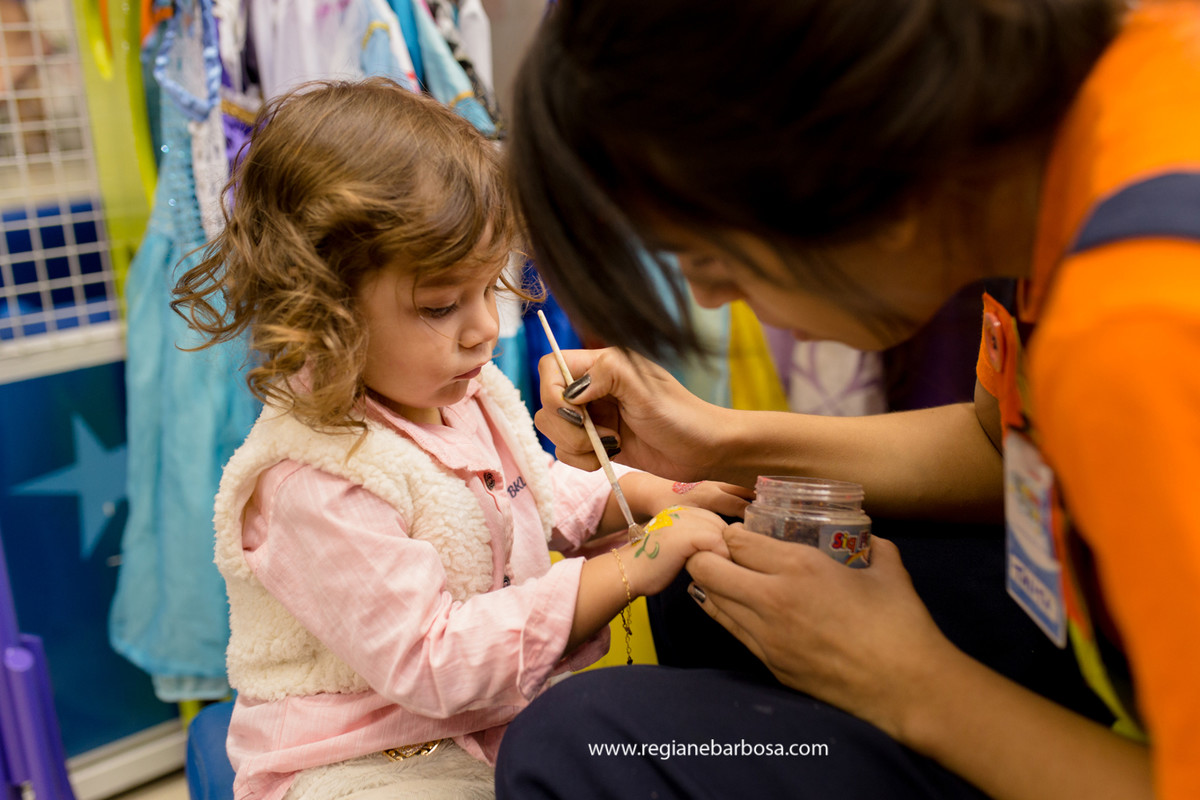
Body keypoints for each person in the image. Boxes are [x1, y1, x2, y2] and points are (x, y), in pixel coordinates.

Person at [494, 1, 1200, 799]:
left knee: (586, 750)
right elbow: (1005, 443)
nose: (710, 298)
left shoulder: (1138, 327)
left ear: (856, 179)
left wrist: (907, 683)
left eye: (710, 261)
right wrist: (718, 441)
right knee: (717, 578)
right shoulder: (1101, 106)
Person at [170, 77, 750, 800]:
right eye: (442, 304)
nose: (484, 329)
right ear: (320, 304)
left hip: (491, 722)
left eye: (489, 290)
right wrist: (631, 566)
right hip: (359, 761)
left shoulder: (464, 395)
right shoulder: (310, 479)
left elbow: (538, 494)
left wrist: (662, 492)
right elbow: (435, 662)